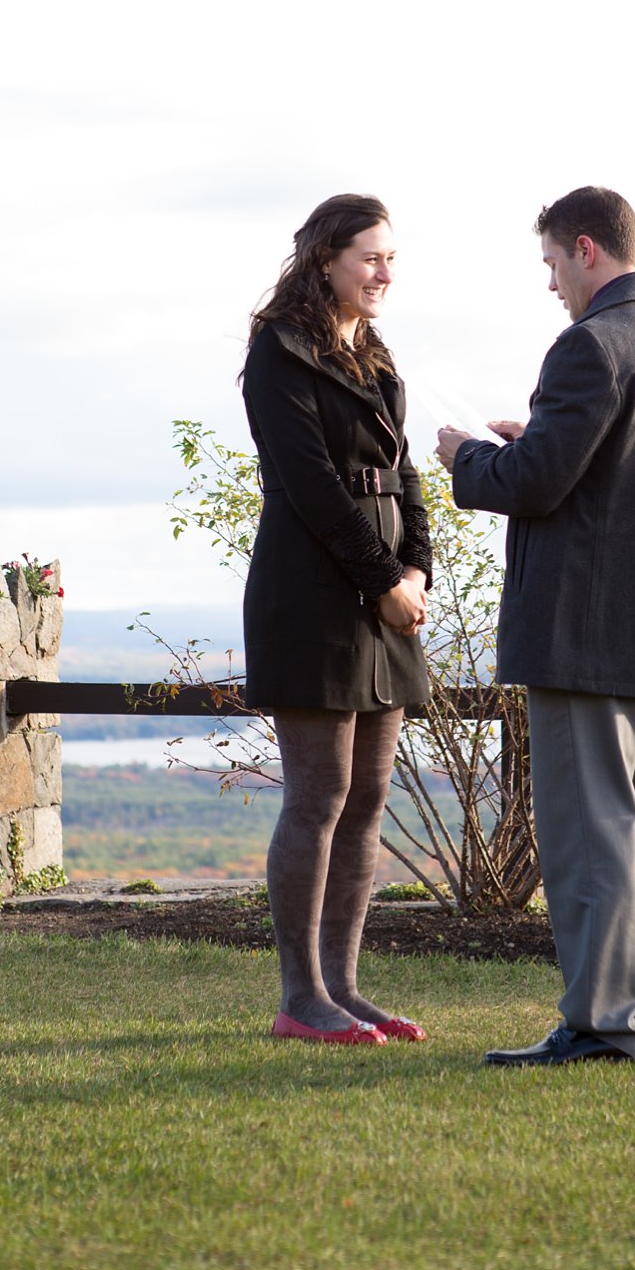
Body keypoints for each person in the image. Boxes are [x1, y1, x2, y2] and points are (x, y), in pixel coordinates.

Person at [435, 187, 635, 1066]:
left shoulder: (590, 347)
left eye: (554, 265)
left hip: (582, 632)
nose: (553, 284)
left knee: (589, 828)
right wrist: (539, 442)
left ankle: (602, 1022)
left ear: (587, 249)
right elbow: (621, 471)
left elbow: (535, 486)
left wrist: (471, 457)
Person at [240, 194, 433, 1046]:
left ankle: (346, 989)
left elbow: (407, 475)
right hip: (312, 593)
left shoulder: (377, 358)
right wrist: (384, 578)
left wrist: (417, 568)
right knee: (318, 795)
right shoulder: (278, 352)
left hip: (385, 594)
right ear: (326, 258)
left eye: (391, 258)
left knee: (368, 796)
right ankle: (301, 998)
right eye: (370, 257)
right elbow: (314, 487)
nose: (384, 272)